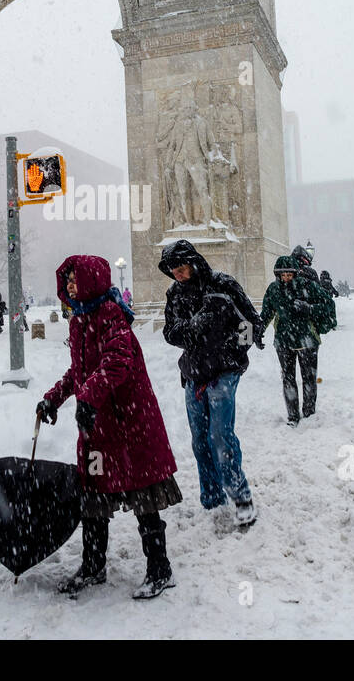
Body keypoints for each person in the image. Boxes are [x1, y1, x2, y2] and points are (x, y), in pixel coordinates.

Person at [36, 255, 181, 600]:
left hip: (130, 424)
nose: (70, 286)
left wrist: (88, 398)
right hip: (100, 427)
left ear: (92, 280)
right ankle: (93, 565)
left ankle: (160, 569)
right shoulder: (81, 319)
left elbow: (117, 362)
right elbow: (80, 371)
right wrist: (53, 399)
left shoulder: (111, 316)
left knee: (144, 497)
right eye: (67, 281)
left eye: (75, 280)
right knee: (93, 498)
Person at [159, 239, 262, 528]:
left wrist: (231, 351)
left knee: (220, 435)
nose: (178, 275)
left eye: (181, 269)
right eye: (173, 271)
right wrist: (195, 326)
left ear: (193, 263)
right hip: (194, 373)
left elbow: (251, 324)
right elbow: (170, 332)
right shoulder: (175, 295)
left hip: (224, 372)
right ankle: (212, 498)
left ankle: (241, 498)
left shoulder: (223, 285)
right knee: (200, 440)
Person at [259, 256, 334, 425]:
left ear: (295, 274)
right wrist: (257, 333)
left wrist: (309, 308)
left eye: (289, 275)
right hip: (284, 340)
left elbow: (328, 305)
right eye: (282, 275)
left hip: (308, 339)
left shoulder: (309, 286)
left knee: (308, 377)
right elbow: (265, 314)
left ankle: (309, 413)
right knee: (288, 378)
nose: (285, 278)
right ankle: (292, 416)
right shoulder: (273, 289)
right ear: (277, 275)